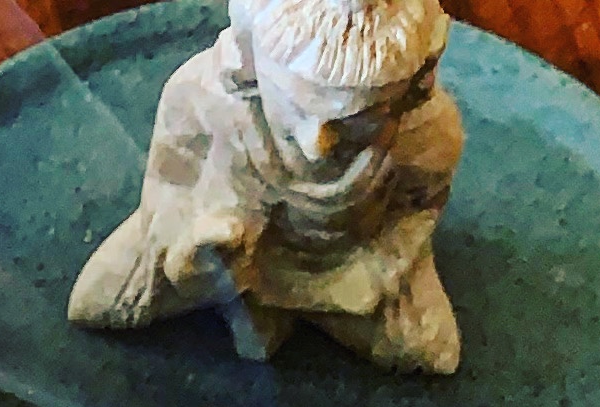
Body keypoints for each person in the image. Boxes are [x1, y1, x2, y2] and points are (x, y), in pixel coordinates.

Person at [68, 0, 466, 377]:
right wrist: (196, 241)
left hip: (343, 270)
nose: (315, 144)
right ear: (250, 64)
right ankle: (244, 301)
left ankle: (293, 310)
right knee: (101, 296)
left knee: (430, 348)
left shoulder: (425, 135)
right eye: (292, 106)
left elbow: (416, 216)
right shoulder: (201, 97)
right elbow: (168, 189)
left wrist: (375, 272)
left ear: (413, 88)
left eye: (357, 120)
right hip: (225, 260)